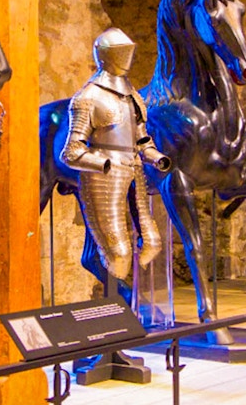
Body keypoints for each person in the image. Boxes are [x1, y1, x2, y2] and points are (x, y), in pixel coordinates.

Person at [62, 28, 171, 280]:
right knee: (119, 252)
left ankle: (127, 298)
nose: (126, 58)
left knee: (153, 243)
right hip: (103, 175)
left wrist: (155, 156)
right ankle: (115, 300)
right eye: (120, 53)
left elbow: (141, 138)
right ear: (105, 56)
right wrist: (104, 164)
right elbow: (71, 152)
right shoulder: (88, 97)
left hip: (134, 170)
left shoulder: (132, 97)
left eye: (128, 52)